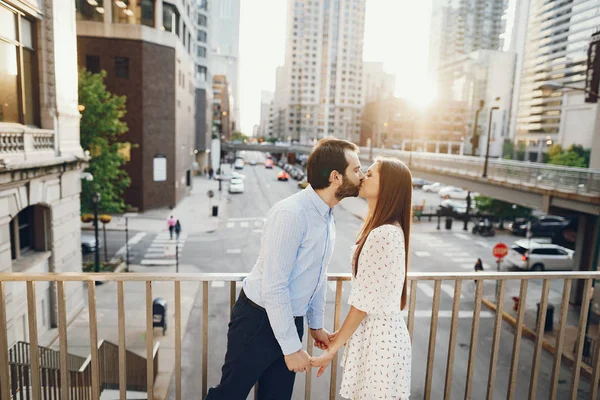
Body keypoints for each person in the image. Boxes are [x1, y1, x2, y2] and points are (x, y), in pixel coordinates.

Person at [205, 138, 365, 400]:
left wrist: (314, 325)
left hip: (291, 320)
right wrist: (291, 349)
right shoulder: (292, 214)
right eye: (356, 169)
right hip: (258, 320)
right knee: (229, 395)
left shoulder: (326, 214)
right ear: (336, 177)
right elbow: (274, 286)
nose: (362, 175)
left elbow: (316, 273)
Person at [310, 157, 412, 400]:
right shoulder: (381, 228)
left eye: (370, 174)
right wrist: (340, 336)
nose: (363, 177)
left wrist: (332, 349)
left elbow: (362, 305)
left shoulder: (384, 233)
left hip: (380, 344)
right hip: (376, 338)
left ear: (388, 187)